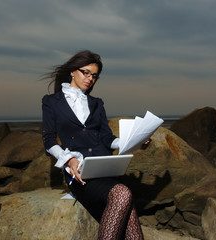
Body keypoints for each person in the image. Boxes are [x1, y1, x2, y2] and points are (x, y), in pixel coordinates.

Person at [42, 50, 144, 239]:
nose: (90, 79)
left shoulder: (97, 103)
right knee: (122, 194)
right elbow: (49, 139)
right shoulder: (51, 102)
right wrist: (69, 159)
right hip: (80, 173)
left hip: (106, 169)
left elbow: (106, 138)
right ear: (72, 71)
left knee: (133, 232)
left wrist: (133, 141)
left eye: (94, 76)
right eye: (86, 72)